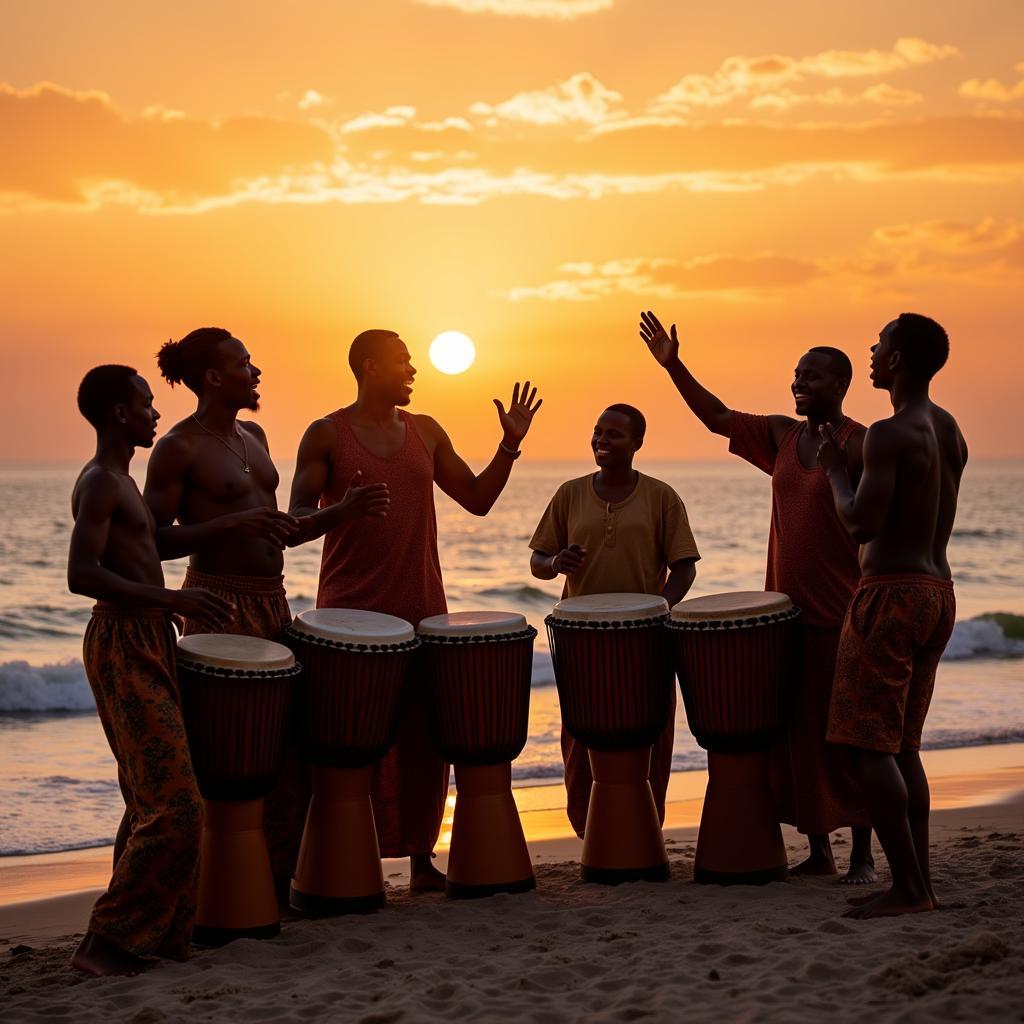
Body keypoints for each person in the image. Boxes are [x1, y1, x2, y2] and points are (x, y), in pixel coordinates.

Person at [288, 328, 542, 892]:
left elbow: (477, 501)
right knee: (350, 742)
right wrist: (343, 511)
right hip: (349, 617)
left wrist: (509, 445)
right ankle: (345, 861)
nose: (413, 370)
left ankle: (422, 859)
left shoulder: (426, 431)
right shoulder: (326, 434)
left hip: (423, 607)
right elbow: (294, 522)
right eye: (403, 361)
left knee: (425, 741)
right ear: (370, 365)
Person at [144, 326, 387, 899]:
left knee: (285, 761)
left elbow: (282, 532)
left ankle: (267, 892)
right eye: (245, 364)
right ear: (213, 377)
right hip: (215, 603)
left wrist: (342, 512)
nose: (256, 373)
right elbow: (150, 539)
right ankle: (206, 896)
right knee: (219, 760)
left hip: (271, 603)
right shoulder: (178, 446)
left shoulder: (253, 435)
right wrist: (232, 523)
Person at [638, 309, 874, 882]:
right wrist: (674, 366)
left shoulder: (861, 442)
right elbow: (717, 417)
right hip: (787, 614)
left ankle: (864, 853)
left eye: (812, 376)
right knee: (798, 735)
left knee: (850, 732)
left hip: (842, 612)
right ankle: (819, 851)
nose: (798, 383)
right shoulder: (781, 435)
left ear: (841, 384)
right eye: (796, 374)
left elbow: (877, 522)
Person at [67, 365, 234, 976]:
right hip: (122, 638)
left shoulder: (123, 481)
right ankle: (104, 944)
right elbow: (80, 574)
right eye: (144, 403)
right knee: (178, 806)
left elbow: (149, 548)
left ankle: (149, 939)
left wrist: (231, 525)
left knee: (149, 800)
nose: (154, 413)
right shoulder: (101, 482)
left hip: (149, 636)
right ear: (119, 413)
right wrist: (174, 601)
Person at [817, 313, 965, 919]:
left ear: (898, 359)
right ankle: (920, 884)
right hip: (938, 591)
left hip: (890, 594)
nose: (871, 353)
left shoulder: (887, 432)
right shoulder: (950, 429)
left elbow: (859, 523)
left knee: (865, 747)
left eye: (879, 345)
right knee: (904, 746)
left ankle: (907, 887)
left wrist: (832, 468)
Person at [529, 404, 700, 836]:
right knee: (581, 738)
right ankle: (591, 832)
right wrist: (555, 562)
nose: (601, 440)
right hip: (582, 640)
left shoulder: (662, 496)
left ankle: (645, 828)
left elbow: (684, 568)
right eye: (597, 431)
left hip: (647, 639)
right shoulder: (569, 493)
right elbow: (537, 561)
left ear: (637, 443)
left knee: (651, 735)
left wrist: (657, 609)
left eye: (614, 435)